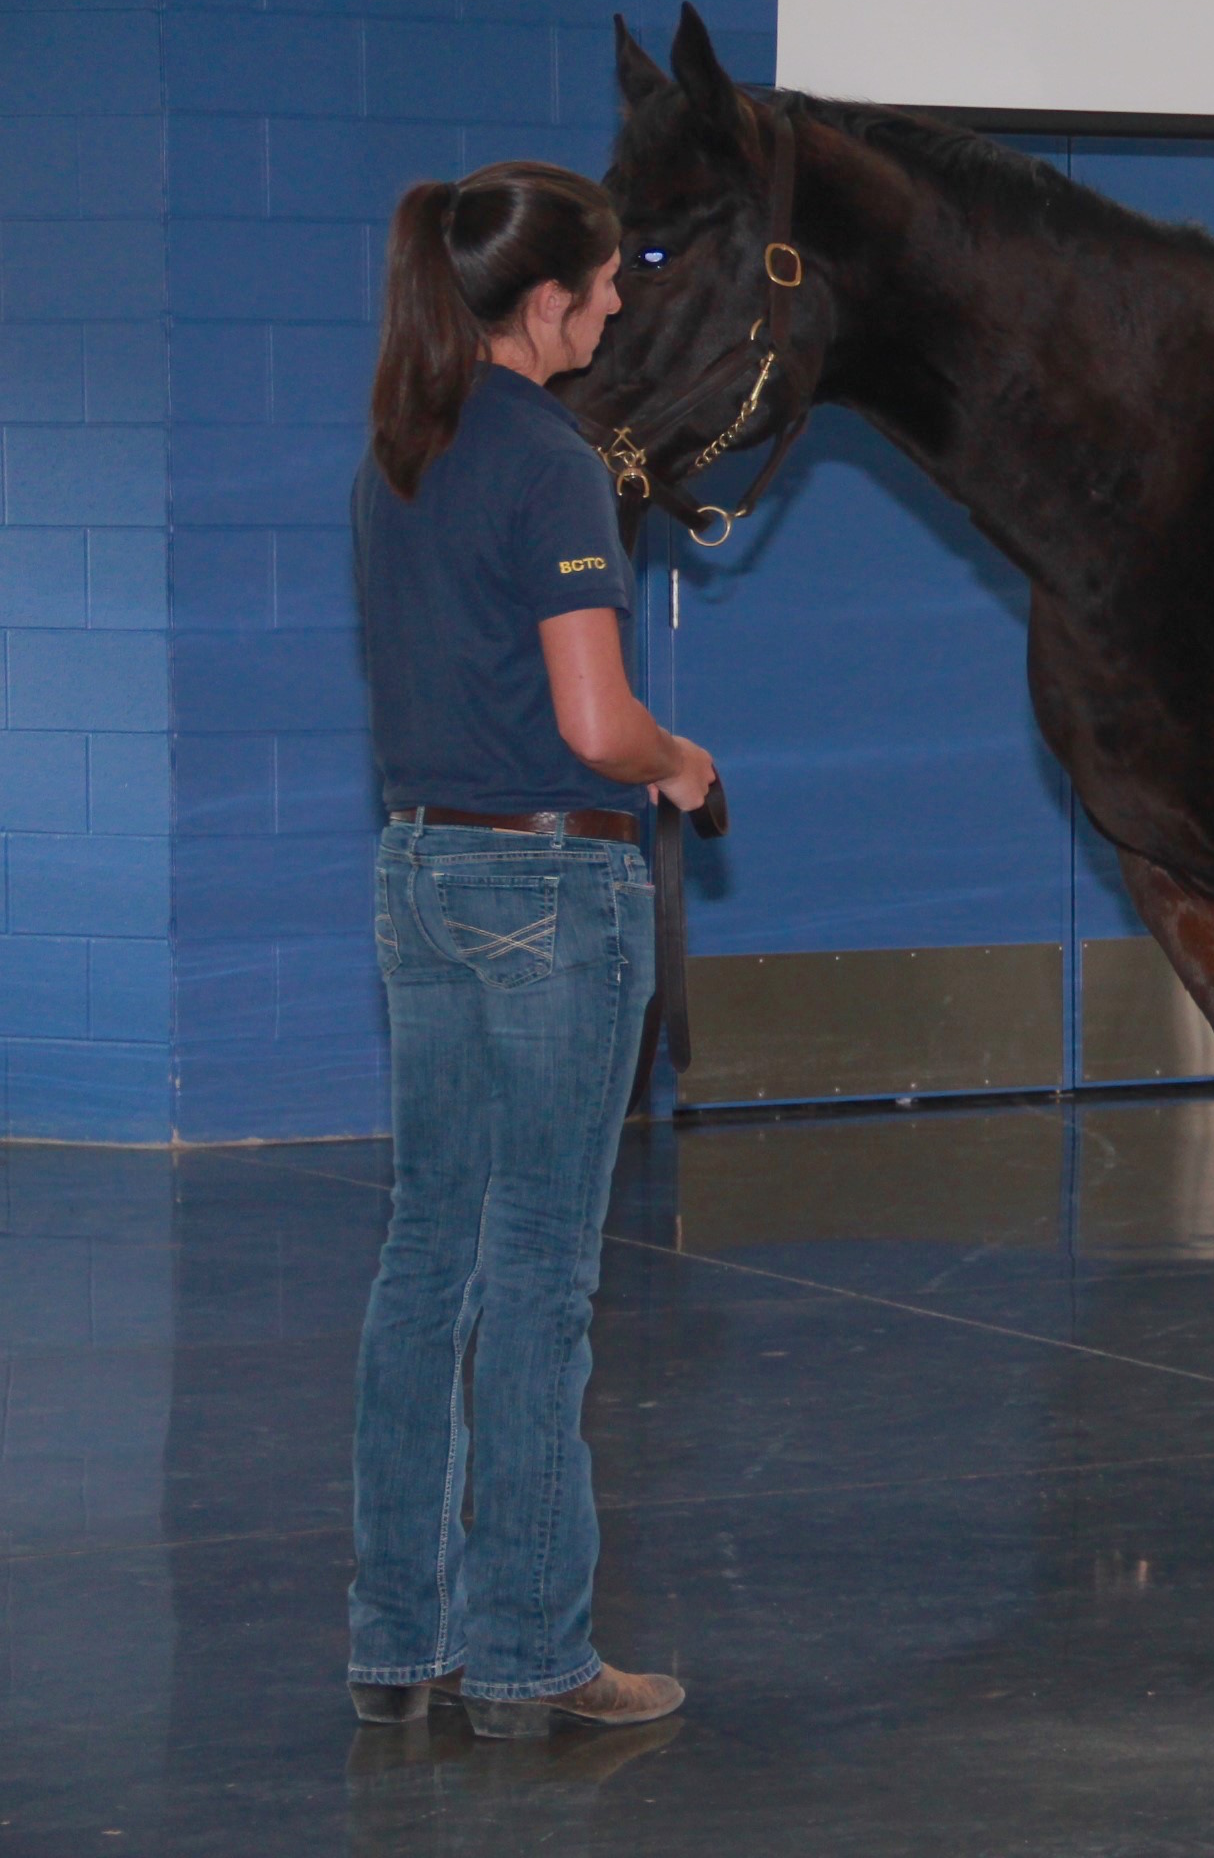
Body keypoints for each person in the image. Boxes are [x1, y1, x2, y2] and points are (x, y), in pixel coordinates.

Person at [346, 161, 720, 1734]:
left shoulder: (399, 452)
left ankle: (397, 1641)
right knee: (543, 1277)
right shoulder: (551, 463)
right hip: (550, 897)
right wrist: (676, 763)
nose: (624, 301)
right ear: (545, 302)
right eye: (608, 281)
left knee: (428, 1252)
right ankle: (527, 1657)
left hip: (418, 872)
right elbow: (590, 721)